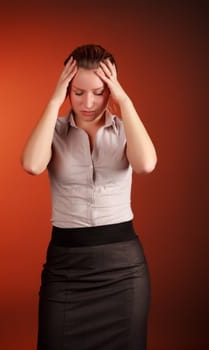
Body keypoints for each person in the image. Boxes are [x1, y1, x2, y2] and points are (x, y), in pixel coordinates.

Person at [21, 44, 157, 350]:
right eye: (78, 92)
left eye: (98, 91)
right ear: (67, 88)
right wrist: (54, 100)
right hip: (66, 267)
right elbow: (31, 165)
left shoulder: (125, 130)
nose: (88, 102)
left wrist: (124, 100)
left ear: (110, 90)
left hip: (123, 270)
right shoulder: (53, 131)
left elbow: (146, 164)